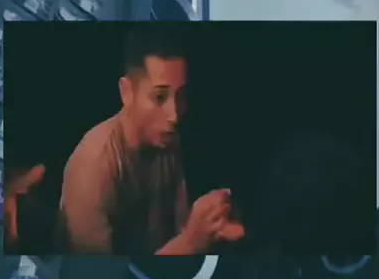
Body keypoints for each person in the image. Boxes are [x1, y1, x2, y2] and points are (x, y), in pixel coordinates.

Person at [57, 25, 245, 255]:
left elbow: (177, 230)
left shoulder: (166, 140)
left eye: (181, 96)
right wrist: (190, 242)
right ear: (127, 93)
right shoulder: (93, 167)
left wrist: (212, 226)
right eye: (159, 97)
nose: (174, 115)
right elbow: (99, 275)